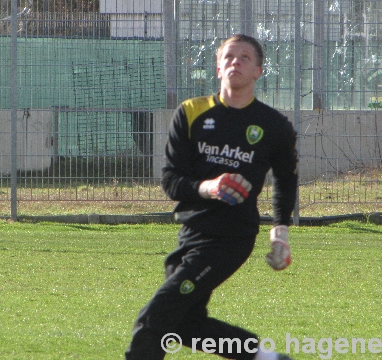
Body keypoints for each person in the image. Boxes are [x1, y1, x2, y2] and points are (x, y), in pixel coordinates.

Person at [125, 34, 298, 360]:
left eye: (245, 57)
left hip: (231, 237)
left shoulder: (273, 125)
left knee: (156, 317)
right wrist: (210, 187)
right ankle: (266, 358)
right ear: (218, 67)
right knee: (182, 323)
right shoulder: (191, 113)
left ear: (259, 70)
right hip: (191, 232)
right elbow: (171, 180)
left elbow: (286, 182)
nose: (236, 62)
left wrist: (280, 234)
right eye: (229, 56)